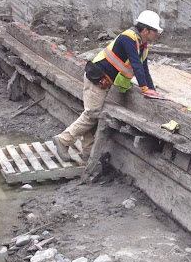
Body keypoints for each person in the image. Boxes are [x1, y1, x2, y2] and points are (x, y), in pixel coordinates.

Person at [53, 10, 163, 162]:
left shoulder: (142, 46)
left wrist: (152, 90)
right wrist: (144, 89)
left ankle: (87, 153)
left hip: (103, 81)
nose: (157, 34)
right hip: (97, 78)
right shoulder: (128, 38)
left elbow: (144, 70)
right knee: (92, 114)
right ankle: (63, 140)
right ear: (146, 30)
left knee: (93, 115)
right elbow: (136, 65)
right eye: (155, 31)